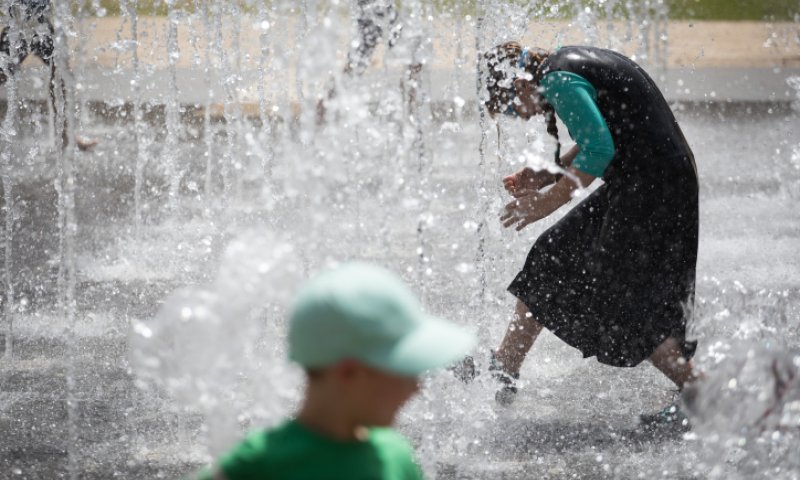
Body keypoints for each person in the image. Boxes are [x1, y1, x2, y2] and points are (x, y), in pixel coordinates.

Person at [462, 42, 700, 426]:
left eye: (511, 108)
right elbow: (599, 135)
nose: (521, 116)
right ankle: (504, 366)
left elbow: (600, 149)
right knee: (552, 254)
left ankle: (700, 392)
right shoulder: (562, 68)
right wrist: (548, 174)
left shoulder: (558, 79)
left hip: (655, 189)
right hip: (646, 182)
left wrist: (545, 203)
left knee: (624, 300)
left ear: (519, 83)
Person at [199, 262, 476, 480]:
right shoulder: (260, 465)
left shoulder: (397, 457)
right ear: (349, 373)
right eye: (404, 370)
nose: (416, 388)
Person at [0, 0, 96, 151]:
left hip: (41, 23)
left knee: (60, 74)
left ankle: (65, 136)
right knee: (2, 74)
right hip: (17, 25)